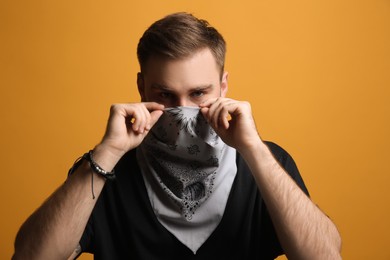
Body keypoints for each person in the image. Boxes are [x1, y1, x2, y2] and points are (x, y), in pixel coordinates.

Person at [13, 12, 341, 259]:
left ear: (224, 86)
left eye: (199, 94)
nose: (183, 111)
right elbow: (31, 256)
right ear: (141, 87)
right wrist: (108, 151)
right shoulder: (103, 171)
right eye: (166, 95)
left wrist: (253, 149)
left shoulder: (268, 161)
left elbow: (325, 256)